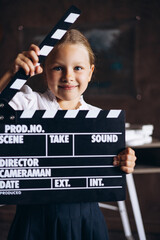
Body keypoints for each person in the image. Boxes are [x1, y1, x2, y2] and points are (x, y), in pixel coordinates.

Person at [1, 29, 136, 240]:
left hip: (86, 220)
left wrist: (125, 160)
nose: (68, 76)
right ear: (44, 70)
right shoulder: (27, 104)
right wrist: (10, 74)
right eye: (57, 68)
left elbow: (112, 165)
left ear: (90, 73)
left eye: (78, 68)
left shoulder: (99, 120)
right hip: (34, 219)